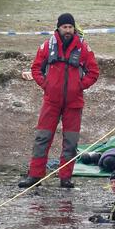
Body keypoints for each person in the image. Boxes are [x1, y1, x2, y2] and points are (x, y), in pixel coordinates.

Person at [18, 13, 99, 188]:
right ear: (58, 28)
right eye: (65, 27)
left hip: (74, 103)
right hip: (51, 101)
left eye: (70, 27)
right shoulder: (48, 46)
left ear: (74, 28)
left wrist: (79, 86)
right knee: (42, 138)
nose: (68, 30)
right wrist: (46, 85)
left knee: (70, 142)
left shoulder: (83, 48)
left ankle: (65, 178)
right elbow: (36, 69)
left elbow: (94, 72)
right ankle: (35, 176)